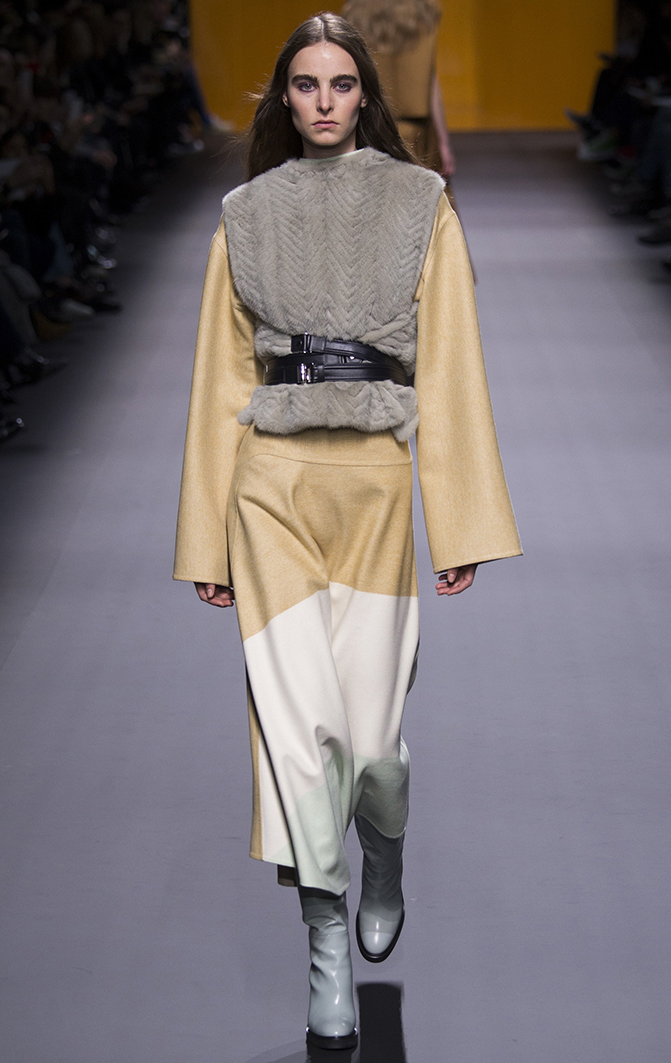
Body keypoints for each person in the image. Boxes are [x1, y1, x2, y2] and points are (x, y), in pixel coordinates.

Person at [173, 14, 519, 1050]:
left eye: (339, 84)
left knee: (372, 748)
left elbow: (450, 362)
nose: (323, 101)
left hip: (373, 486)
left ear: (364, 94)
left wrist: (460, 520)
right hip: (269, 486)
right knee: (299, 736)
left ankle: (387, 855)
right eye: (305, 85)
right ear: (284, 99)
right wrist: (206, 539)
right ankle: (325, 949)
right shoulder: (245, 213)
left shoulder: (420, 204)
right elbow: (218, 382)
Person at [343, 0, 455, 181]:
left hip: (370, 128)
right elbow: (430, 83)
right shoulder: (424, 14)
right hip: (416, 133)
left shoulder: (354, 14)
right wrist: (444, 143)